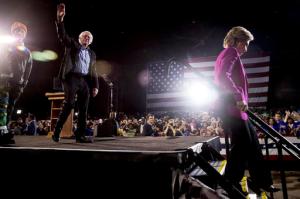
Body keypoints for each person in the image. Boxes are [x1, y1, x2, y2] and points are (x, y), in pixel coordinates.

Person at [214, 26, 278, 193]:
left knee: (253, 144)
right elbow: (222, 77)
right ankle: (230, 183)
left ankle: (260, 181)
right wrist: (237, 96)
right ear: (238, 41)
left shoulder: (226, 53)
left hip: (237, 109)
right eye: (246, 43)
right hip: (233, 107)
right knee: (241, 146)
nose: (246, 48)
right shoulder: (231, 52)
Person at [52, 3, 99, 143]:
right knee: (69, 104)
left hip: (84, 80)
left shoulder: (92, 53)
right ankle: (57, 131)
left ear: (90, 41)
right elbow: (62, 35)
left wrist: (95, 85)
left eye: (89, 38)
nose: (87, 38)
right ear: (80, 38)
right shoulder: (72, 44)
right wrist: (60, 20)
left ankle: (80, 136)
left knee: (84, 109)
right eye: (85, 36)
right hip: (71, 78)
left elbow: (93, 71)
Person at [0, 21, 32, 144]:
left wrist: (24, 83)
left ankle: (4, 129)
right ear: (13, 34)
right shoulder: (5, 46)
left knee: (10, 108)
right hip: (4, 80)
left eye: (22, 31)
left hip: (18, 84)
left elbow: (29, 68)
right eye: (17, 31)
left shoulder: (27, 52)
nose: (19, 33)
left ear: (24, 35)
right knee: (3, 106)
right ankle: (2, 130)